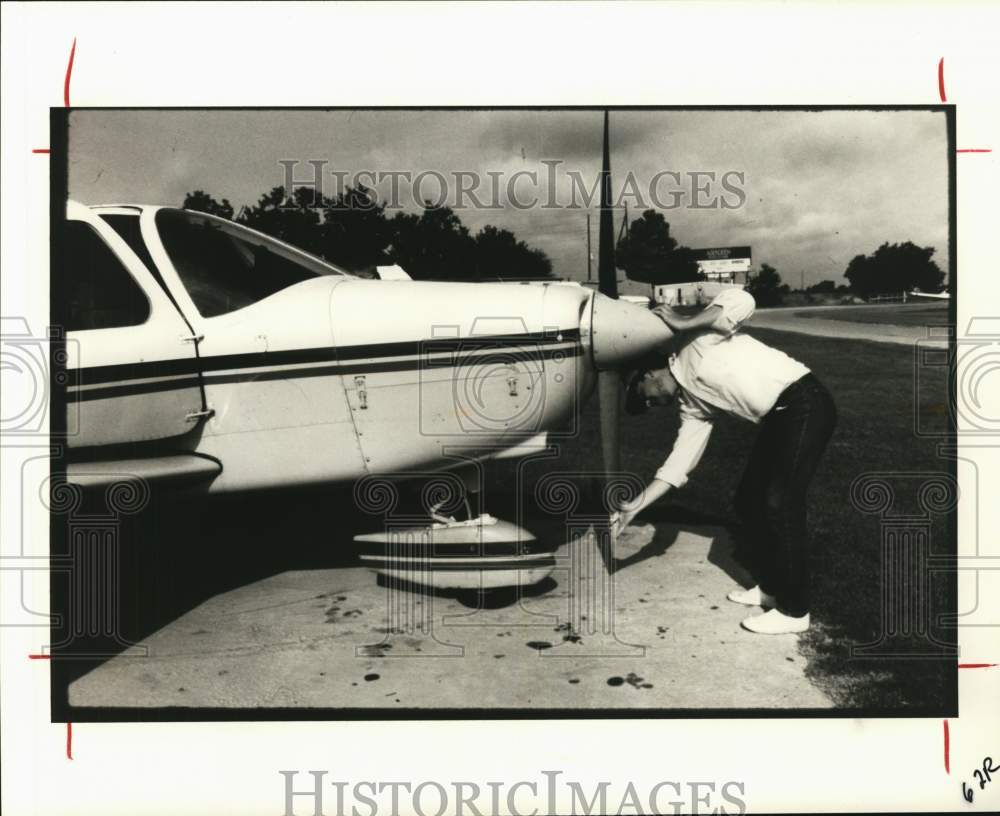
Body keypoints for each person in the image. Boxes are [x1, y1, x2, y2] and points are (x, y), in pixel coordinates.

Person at [614, 288, 837, 634]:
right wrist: (637, 505)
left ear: (647, 376)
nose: (651, 406)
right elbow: (680, 462)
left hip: (806, 403)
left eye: (643, 399)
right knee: (748, 502)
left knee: (780, 503)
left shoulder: (695, 341)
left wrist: (685, 320)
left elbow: (742, 299)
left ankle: (795, 612)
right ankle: (773, 589)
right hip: (779, 418)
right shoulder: (692, 405)